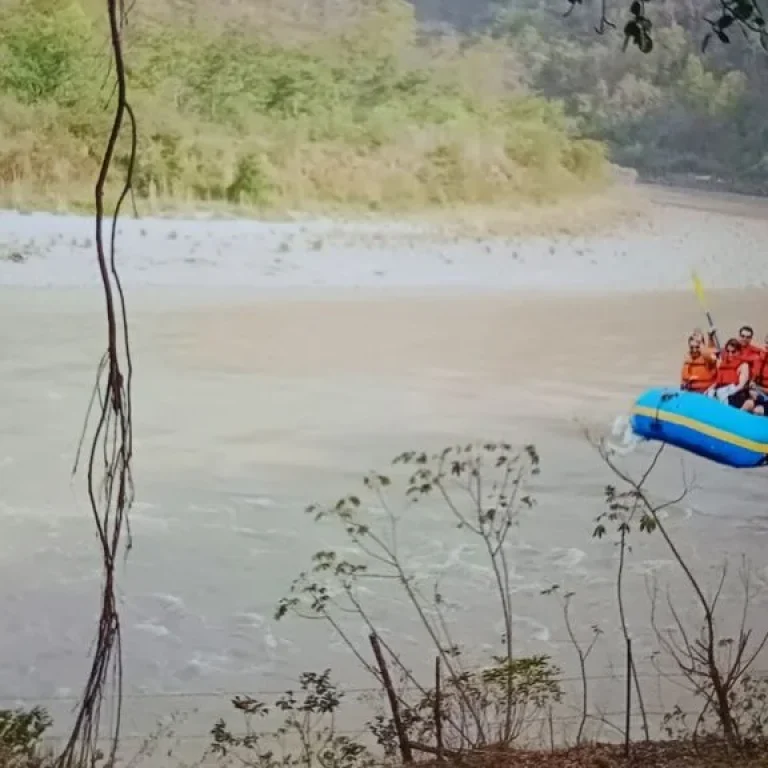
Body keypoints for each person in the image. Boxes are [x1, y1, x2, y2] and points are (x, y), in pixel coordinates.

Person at [708, 338, 753, 410]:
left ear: (739, 351)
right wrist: (710, 389)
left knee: (721, 395)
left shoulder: (743, 365)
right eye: (728, 351)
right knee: (710, 394)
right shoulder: (722, 363)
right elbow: (717, 381)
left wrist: (727, 393)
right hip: (721, 390)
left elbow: (741, 386)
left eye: (733, 352)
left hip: (735, 393)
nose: (730, 354)